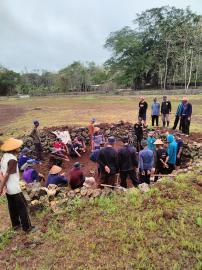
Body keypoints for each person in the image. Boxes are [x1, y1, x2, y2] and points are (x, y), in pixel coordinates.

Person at [0, 138, 34, 232]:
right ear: (14, 149)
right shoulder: (12, 160)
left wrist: (4, 186)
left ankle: (16, 224)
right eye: (18, 147)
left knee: (12, 207)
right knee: (23, 207)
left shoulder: (4, 156)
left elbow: (1, 172)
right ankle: (27, 228)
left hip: (8, 188)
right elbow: (6, 174)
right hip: (14, 188)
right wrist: (1, 187)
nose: (19, 148)